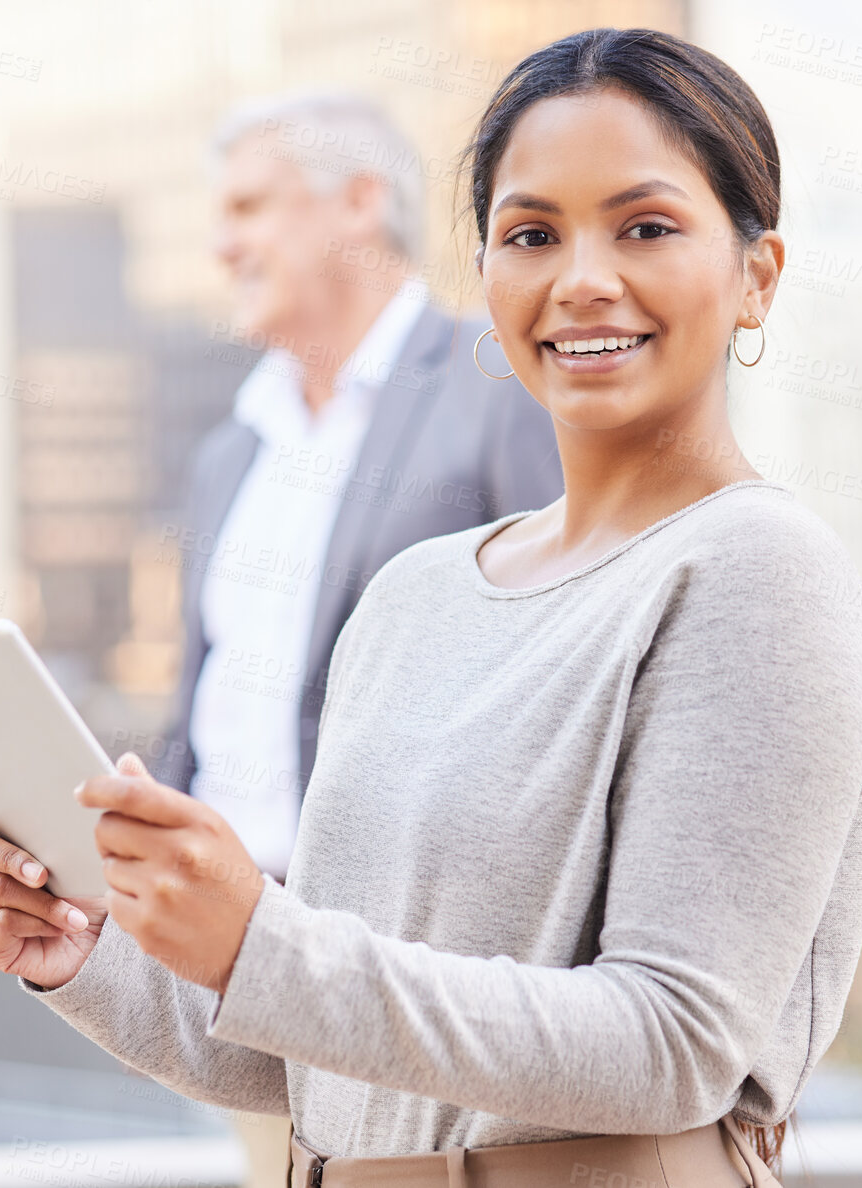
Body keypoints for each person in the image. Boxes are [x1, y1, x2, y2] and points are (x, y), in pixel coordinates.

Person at [0, 26, 862, 1186]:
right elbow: (330, 1056)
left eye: (644, 226)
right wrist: (90, 960)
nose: (581, 276)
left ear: (756, 275)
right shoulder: (414, 595)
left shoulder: (755, 571)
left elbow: (673, 1044)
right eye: (532, 234)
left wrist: (266, 943)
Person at [154, 92, 563, 887]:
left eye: (248, 207)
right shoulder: (228, 452)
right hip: (209, 938)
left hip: (402, 935)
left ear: (359, 200)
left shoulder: (500, 382)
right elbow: (199, 712)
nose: (222, 246)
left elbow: (559, 673)